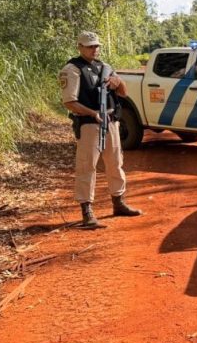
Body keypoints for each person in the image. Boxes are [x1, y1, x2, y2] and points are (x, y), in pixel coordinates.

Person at [59, 31, 142, 228]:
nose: (94, 49)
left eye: (96, 46)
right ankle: (87, 211)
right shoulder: (72, 69)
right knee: (87, 166)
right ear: (79, 47)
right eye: (89, 46)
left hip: (111, 120)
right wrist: (92, 113)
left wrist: (118, 82)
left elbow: (123, 93)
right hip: (89, 124)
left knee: (115, 163)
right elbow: (70, 102)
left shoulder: (105, 67)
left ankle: (118, 202)